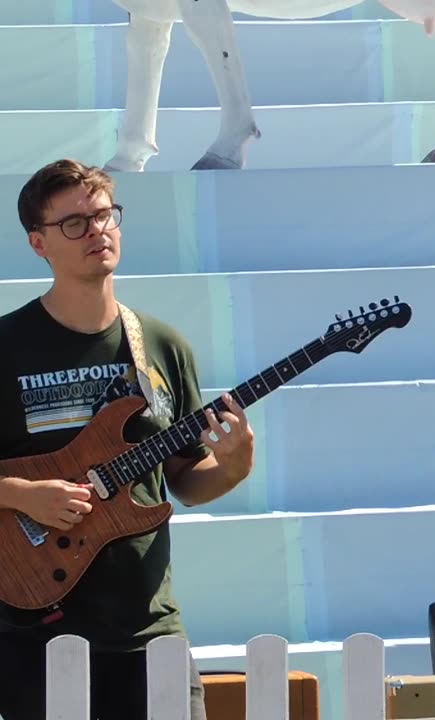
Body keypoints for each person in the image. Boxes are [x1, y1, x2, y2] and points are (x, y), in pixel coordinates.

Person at [0, 159, 256, 720]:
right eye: (74, 223)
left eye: (104, 215)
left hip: (150, 626)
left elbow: (187, 482)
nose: (96, 230)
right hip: (38, 626)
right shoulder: (8, 346)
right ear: (37, 243)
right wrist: (21, 494)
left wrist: (234, 466)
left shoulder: (160, 346)